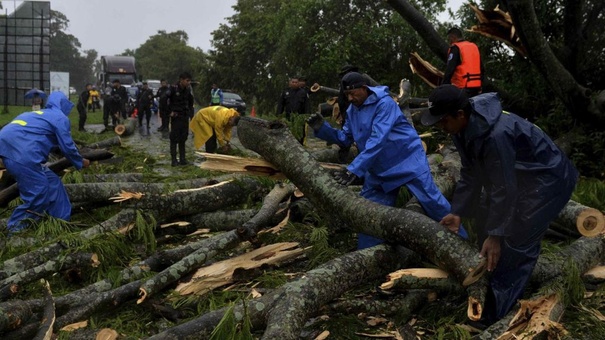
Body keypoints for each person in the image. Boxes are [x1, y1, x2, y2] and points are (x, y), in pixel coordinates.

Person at [421, 84, 578, 325]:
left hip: (548, 181)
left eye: (442, 121)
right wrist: (458, 212)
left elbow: (504, 188)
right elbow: (471, 172)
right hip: (520, 177)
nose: (441, 127)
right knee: (484, 210)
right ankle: (486, 278)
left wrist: (496, 235)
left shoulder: (496, 135)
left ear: (460, 115)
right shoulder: (462, 129)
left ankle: (493, 315)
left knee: (517, 238)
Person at [306, 72, 467, 249]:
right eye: (347, 95)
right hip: (380, 170)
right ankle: (369, 258)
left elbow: (378, 140)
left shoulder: (385, 103)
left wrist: (353, 169)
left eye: (353, 94)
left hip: (407, 161)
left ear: (364, 88)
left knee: (433, 203)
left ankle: (465, 247)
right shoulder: (352, 111)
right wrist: (323, 129)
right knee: (369, 216)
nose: (350, 98)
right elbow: (345, 138)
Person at [0, 91, 90, 232]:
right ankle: (15, 230)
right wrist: (80, 161)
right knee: (39, 192)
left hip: (7, 149)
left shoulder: (37, 114)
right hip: (22, 154)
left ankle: (60, 221)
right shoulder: (59, 117)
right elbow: (68, 147)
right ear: (63, 105)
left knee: (52, 182)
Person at [442, 27, 483, 97]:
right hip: (476, 87)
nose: (449, 42)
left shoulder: (456, 48)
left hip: (462, 87)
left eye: (449, 39)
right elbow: (482, 68)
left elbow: (449, 70)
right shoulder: (473, 47)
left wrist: (443, 88)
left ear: (453, 37)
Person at [167, 72, 194, 166]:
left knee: (183, 138)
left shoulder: (188, 89)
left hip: (184, 116)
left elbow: (191, 103)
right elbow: (164, 100)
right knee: (174, 138)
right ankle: (174, 160)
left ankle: (183, 159)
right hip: (176, 116)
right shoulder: (173, 89)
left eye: (189, 81)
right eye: (187, 80)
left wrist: (191, 116)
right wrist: (169, 112)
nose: (188, 82)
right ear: (181, 80)